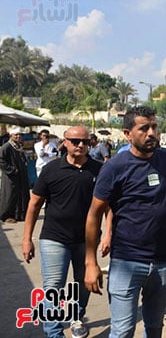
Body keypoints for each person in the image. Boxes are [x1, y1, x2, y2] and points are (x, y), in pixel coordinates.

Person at [84, 106, 166, 338]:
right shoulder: (114, 167)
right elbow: (94, 214)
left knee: (154, 327)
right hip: (126, 262)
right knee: (122, 330)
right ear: (127, 134)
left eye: (154, 127)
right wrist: (90, 262)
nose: (152, 133)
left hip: (164, 262)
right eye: (144, 128)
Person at [22, 126, 102, 338]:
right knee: (53, 286)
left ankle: (76, 317)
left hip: (86, 240)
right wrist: (26, 239)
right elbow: (34, 205)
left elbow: (109, 205)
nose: (81, 145)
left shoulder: (99, 170)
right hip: (54, 238)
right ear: (64, 142)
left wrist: (109, 233)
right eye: (75, 141)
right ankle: (54, 333)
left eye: (85, 141)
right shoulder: (51, 170)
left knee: (84, 284)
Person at [0, 127, 30, 223]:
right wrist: (12, 170)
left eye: (19, 135)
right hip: (11, 177)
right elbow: (1, 160)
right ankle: (7, 216)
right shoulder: (6, 147)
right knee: (10, 196)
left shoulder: (18, 146)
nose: (18, 136)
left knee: (21, 195)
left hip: (20, 176)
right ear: (11, 136)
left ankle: (19, 215)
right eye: (16, 135)